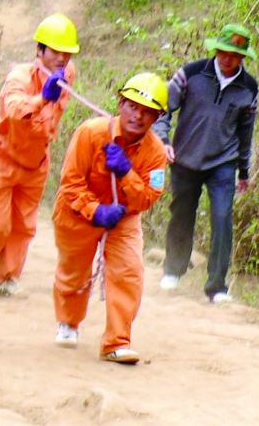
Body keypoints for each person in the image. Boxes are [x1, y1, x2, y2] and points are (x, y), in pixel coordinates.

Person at [52, 73, 169, 365]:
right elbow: (70, 184)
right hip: (77, 212)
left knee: (129, 273)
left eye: (147, 112)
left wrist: (127, 173)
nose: (138, 116)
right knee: (74, 272)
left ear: (156, 118)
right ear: (120, 103)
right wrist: (96, 211)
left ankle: (117, 341)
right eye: (133, 107)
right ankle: (68, 321)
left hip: (124, 219)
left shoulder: (156, 154)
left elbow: (147, 198)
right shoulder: (91, 133)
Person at [153, 24, 259, 304]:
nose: (227, 58)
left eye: (234, 55)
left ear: (242, 58)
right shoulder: (190, 73)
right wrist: (163, 140)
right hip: (185, 157)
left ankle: (216, 287)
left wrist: (244, 170)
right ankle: (173, 270)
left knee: (223, 219)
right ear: (215, 50)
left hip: (223, 162)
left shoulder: (249, 87)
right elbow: (162, 107)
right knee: (181, 212)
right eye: (223, 52)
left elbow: (246, 131)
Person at [0, 14, 80, 297]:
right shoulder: (19, 77)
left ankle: (5, 279)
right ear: (39, 50)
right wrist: (42, 98)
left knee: (23, 226)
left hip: (36, 161)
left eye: (66, 52)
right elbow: (14, 109)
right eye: (55, 51)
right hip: (1, 157)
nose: (61, 58)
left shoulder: (68, 72)